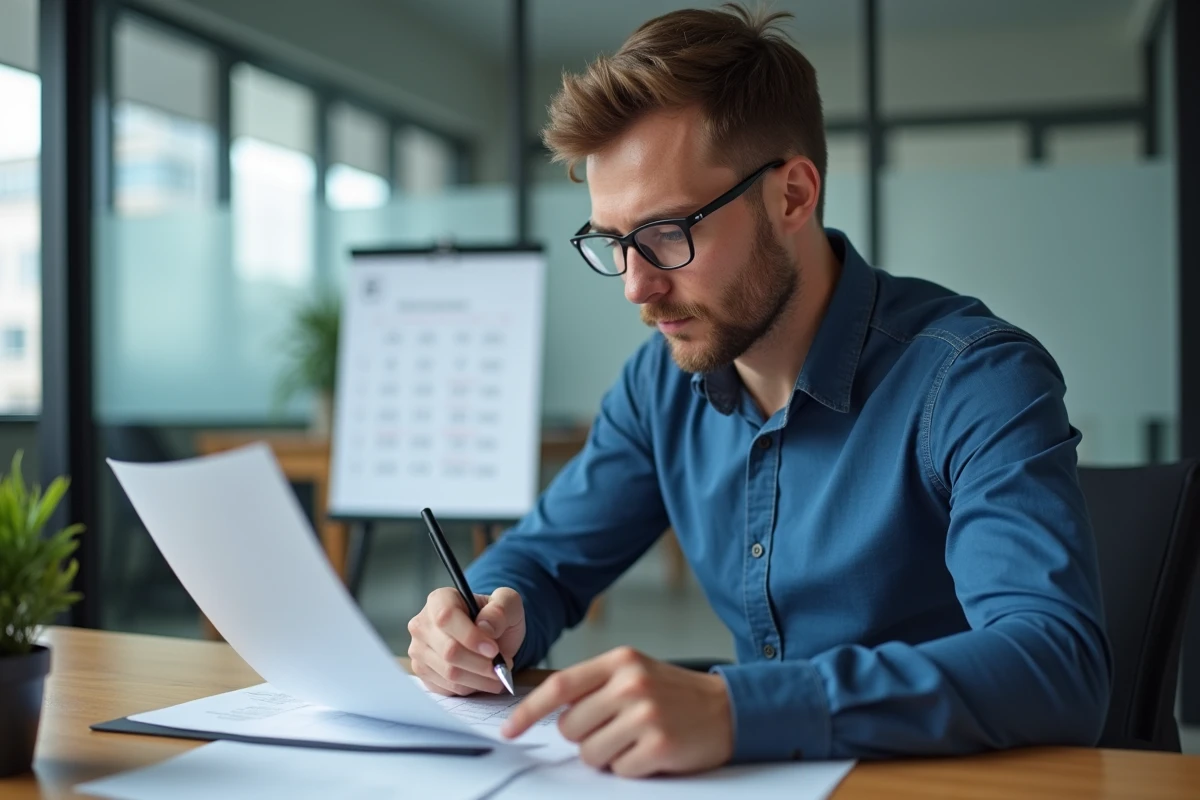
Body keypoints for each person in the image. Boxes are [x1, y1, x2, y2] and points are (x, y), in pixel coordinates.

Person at [406, 3, 1111, 778]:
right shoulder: (660, 382)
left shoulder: (975, 378)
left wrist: (743, 709)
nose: (637, 287)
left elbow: (1056, 662)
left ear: (792, 196)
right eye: (614, 242)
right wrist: (485, 619)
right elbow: (545, 561)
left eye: (669, 232)